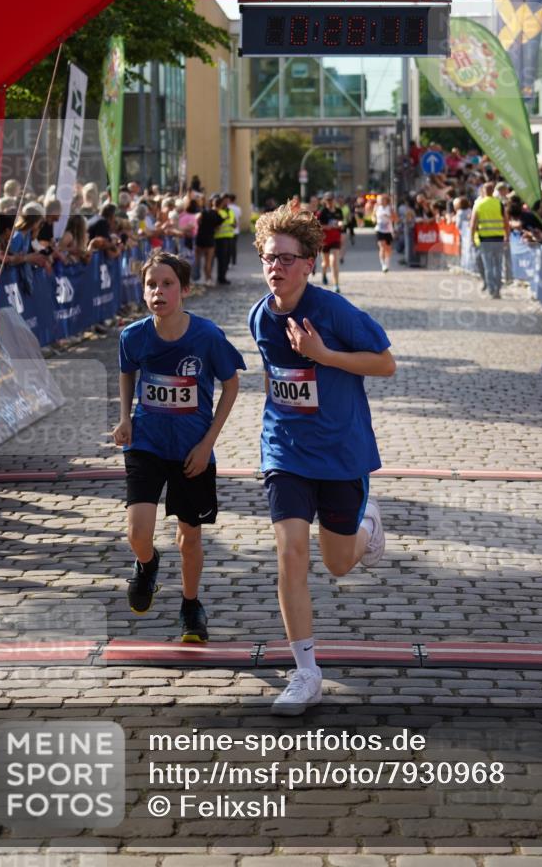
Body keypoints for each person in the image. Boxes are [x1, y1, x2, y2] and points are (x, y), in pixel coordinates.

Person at [248, 204, 396, 714]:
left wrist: (324, 355)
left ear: (309, 263)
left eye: (287, 259)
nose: (276, 267)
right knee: (290, 552)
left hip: (341, 452)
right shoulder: (259, 316)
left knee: (336, 563)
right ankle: (306, 672)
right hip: (286, 450)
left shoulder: (334, 312)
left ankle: (366, 528)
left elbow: (386, 364)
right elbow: (274, 375)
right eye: (270, 258)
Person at [112, 251, 245, 640]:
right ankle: (147, 563)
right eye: (151, 285)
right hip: (146, 442)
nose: (158, 292)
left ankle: (190, 605)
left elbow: (231, 385)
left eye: (167, 284)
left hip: (192, 450)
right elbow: (126, 372)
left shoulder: (207, 336)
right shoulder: (133, 336)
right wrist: (125, 417)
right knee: (137, 533)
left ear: (185, 290)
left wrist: (208, 443)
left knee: (190, 537)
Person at [470, 183, 509, 299]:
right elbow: (506, 222)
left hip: (485, 239)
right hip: (498, 238)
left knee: (488, 266)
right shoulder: (499, 204)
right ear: (493, 191)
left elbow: (473, 224)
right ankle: (497, 289)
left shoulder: (479, 204)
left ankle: (492, 290)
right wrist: (507, 237)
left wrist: (472, 238)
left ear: (483, 191)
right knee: (498, 265)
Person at [317, 192, 344, 292]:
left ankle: (336, 284)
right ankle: (324, 273)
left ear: (334, 200)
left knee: (334, 261)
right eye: (328, 200)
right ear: (324, 201)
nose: (330, 202)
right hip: (324, 241)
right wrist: (327, 227)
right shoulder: (322, 212)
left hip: (335, 239)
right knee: (326, 263)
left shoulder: (338, 211)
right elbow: (317, 225)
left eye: (331, 199)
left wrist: (340, 224)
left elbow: (341, 221)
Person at [213, 195, 236, 286]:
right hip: (220, 238)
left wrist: (234, 225)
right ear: (221, 201)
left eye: (228, 200)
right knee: (221, 259)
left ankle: (224, 276)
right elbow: (216, 224)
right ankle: (221, 278)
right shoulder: (218, 211)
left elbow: (234, 222)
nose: (226, 202)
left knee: (227, 258)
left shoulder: (230, 211)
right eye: (225, 200)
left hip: (230, 236)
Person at [373, 193, 396, 272]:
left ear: (386, 200)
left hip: (388, 230)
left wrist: (388, 217)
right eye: (379, 199)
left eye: (382, 199)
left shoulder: (390, 208)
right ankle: (383, 265)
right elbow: (373, 216)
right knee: (382, 247)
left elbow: (395, 219)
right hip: (379, 230)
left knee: (388, 249)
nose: (380, 201)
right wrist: (374, 220)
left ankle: (387, 263)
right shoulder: (376, 207)